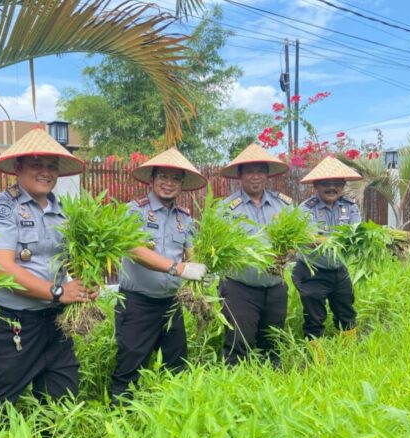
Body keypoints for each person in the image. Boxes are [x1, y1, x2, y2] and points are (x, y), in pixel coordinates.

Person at [0, 128, 96, 431]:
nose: (46, 172)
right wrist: (58, 291)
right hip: (10, 324)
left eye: (52, 166)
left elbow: (71, 260)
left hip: (54, 321)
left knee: (61, 404)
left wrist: (86, 283)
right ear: (18, 167)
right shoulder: (0, 209)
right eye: (37, 164)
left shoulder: (63, 211)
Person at [110, 148, 208, 402]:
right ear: (151, 180)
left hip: (171, 304)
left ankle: (170, 414)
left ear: (182, 185)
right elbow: (133, 248)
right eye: (163, 176)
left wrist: (199, 273)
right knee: (130, 365)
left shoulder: (184, 218)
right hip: (137, 303)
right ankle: (121, 418)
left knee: (176, 365)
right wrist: (176, 268)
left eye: (176, 179)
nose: (169, 183)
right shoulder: (133, 210)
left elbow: (191, 252)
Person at [218, 143, 292, 366]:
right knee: (238, 344)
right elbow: (219, 249)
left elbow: (296, 241)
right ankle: (235, 390)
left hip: (275, 286)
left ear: (267, 174)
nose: (255, 176)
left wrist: (287, 253)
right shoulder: (226, 209)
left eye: (260, 170)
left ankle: (272, 389)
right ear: (240, 175)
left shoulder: (284, 205)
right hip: (240, 288)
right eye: (249, 171)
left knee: (273, 344)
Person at [292, 156, 362, 341]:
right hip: (312, 271)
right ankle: (318, 361)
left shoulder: (350, 206)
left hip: (339, 270)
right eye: (326, 183)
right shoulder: (306, 209)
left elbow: (356, 234)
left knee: (347, 313)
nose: (332, 187)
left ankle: (349, 355)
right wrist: (336, 239)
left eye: (337, 183)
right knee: (314, 318)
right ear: (316, 185)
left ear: (343, 184)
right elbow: (309, 238)